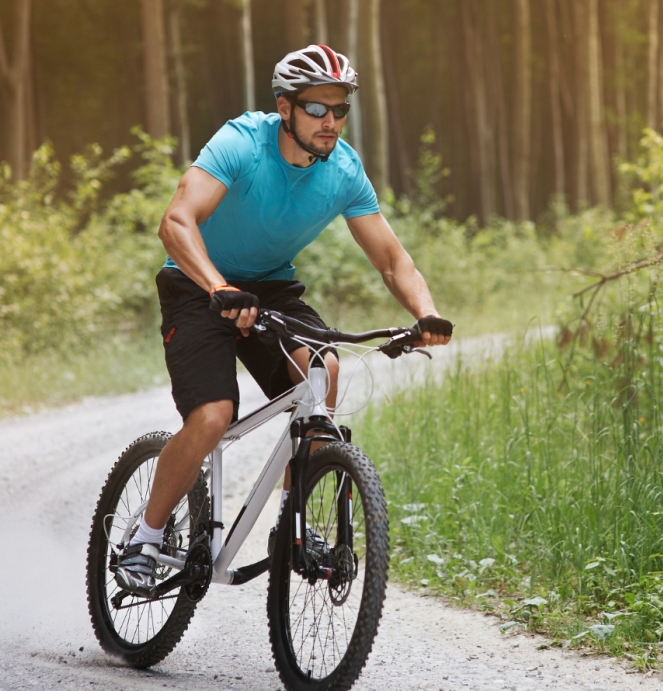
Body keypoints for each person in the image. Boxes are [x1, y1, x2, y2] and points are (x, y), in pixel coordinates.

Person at [115, 44, 453, 597]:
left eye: (339, 109)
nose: (330, 122)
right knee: (212, 416)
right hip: (197, 283)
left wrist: (426, 313)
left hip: (270, 288)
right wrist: (219, 286)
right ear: (285, 108)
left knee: (323, 371)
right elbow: (176, 222)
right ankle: (146, 539)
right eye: (316, 109)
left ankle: (293, 528)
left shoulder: (343, 170)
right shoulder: (242, 144)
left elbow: (392, 260)